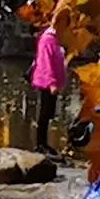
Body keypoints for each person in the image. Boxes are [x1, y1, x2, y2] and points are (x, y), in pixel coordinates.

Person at [27, 12, 69, 153]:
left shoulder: (55, 39)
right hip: (46, 81)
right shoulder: (47, 39)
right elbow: (46, 63)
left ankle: (44, 143)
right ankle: (40, 144)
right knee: (44, 113)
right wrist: (51, 83)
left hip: (53, 81)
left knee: (49, 112)